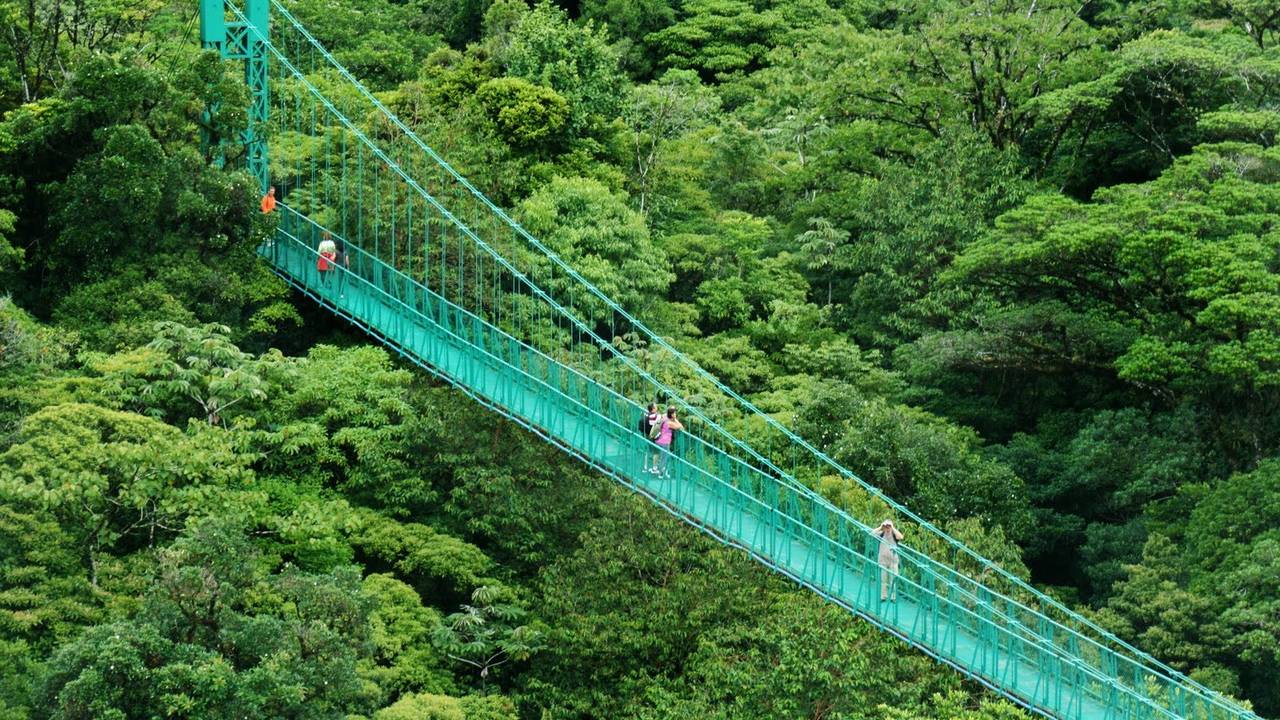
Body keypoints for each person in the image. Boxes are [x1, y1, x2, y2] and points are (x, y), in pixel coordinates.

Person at [874, 519, 904, 602]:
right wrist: (880, 527)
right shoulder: (881, 534)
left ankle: (893, 597)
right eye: (886, 527)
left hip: (893, 561)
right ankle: (883, 596)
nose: (887, 528)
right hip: (883, 560)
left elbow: (901, 537)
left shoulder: (894, 535)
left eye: (889, 527)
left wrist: (893, 527)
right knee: (883, 579)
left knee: (893, 580)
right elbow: (871, 534)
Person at [652, 406, 683, 477]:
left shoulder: (665, 417)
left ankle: (662, 471)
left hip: (658, 439)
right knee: (664, 458)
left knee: (665, 456)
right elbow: (680, 426)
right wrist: (675, 419)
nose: (675, 414)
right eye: (674, 413)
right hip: (664, 442)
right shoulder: (669, 423)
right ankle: (661, 474)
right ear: (672, 414)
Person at [639, 402, 660, 473]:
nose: (657, 407)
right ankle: (654, 468)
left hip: (645, 434)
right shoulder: (655, 416)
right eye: (656, 406)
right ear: (653, 409)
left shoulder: (645, 414)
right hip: (653, 436)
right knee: (656, 452)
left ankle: (645, 467)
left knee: (647, 451)